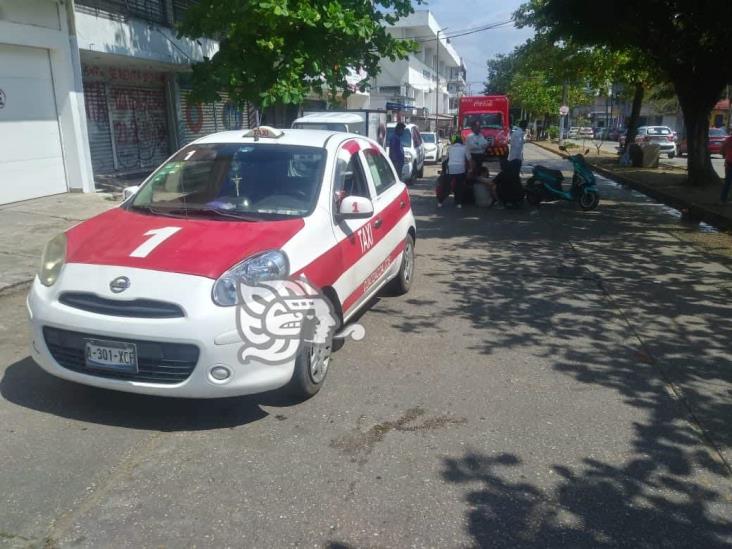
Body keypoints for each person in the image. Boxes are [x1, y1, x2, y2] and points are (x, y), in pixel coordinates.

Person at [437, 135, 468, 208]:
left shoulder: (450, 148)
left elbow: (445, 160)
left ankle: (440, 202)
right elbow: (468, 158)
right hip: (461, 170)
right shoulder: (465, 148)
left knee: (447, 187)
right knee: (459, 186)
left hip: (450, 169)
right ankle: (459, 203)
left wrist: (443, 170)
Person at [721, 133, 732, 203]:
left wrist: (725, 156)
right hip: (729, 163)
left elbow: (722, 149)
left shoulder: (728, 139)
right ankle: (724, 198)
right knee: (728, 182)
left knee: (727, 182)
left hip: (728, 163)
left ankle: (723, 198)